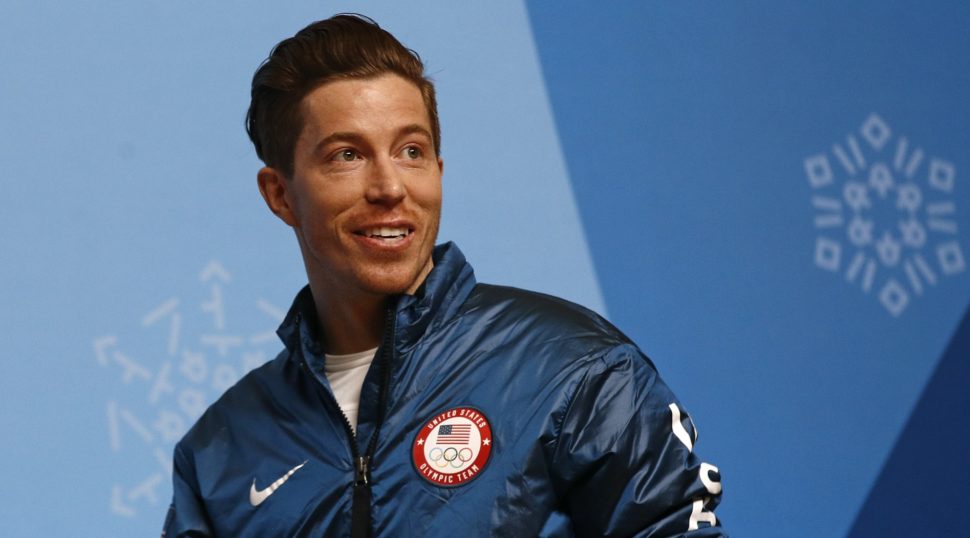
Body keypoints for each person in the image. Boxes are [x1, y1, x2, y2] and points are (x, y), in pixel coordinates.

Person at [163, 13, 726, 537]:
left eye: (410, 151)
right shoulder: (220, 451)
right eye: (346, 155)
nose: (390, 187)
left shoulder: (575, 370)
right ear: (280, 194)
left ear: (438, 170)